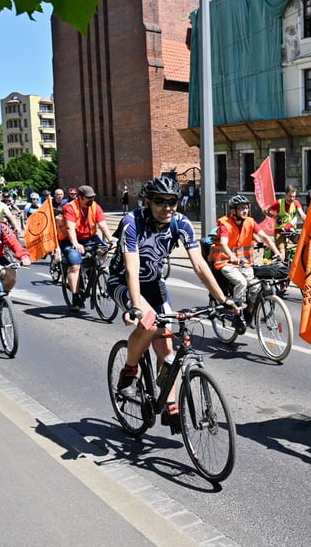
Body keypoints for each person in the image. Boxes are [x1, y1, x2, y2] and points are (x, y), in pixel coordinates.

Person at [108, 177, 238, 433]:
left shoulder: (181, 223)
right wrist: (136, 307)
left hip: (154, 283)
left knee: (167, 347)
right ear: (147, 202)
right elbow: (132, 269)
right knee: (148, 323)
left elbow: (200, 265)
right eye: (160, 202)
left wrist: (223, 299)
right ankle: (129, 370)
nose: (168, 207)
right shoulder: (132, 223)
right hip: (123, 281)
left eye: (172, 201)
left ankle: (169, 404)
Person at [213, 195, 282, 327]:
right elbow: (223, 244)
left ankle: (249, 311)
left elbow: (265, 237)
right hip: (226, 263)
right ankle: (236, 314)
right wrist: (232, 256)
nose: (245, 211)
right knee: (241, 282)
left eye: (246, 208)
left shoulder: (250, 221)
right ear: (233, 211)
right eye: (241, 208)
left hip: (245, 263)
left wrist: (277, 252)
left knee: (256, 286)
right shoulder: (225, 224)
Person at [61, 185, 116, 311]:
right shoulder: (70, 207)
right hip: (70, 239)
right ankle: (75, 296)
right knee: (75, 264)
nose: (91, 200)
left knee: (103, 252)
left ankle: (93, 272)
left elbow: (102, 225)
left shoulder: (95, 207)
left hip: (89, 237)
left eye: (93, 197)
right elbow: (70, 228)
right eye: (88, 198)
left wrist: (111, 240)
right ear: (80, 197)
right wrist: (75, 243)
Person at [267, 185, 307, 256]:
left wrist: (310, 221)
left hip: (290, 230)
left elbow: (302, 215)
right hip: (280, 230)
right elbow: (265, 211)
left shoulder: (295, 203)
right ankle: (278, 254)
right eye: (290, 196)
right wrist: (273, 216)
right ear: (286, 195)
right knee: (282, 253)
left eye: (293, 197)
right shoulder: (279, 203)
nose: (291, 198)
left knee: (302, 240)